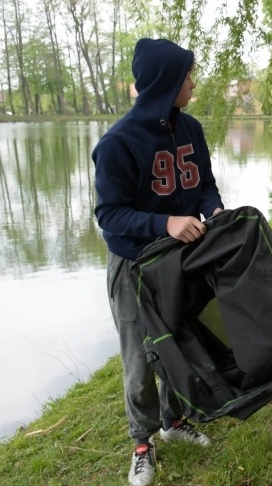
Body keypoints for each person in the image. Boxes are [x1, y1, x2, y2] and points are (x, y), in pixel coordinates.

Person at [92, 38, 224, 486]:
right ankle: (142, 443)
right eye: (188, 75)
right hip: (133, 265)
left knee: (179, 343)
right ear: (168, 81)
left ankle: (174, 422)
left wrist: (216, 210)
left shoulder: (191, 129)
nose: (192, 82)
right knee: (139, 358)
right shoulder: (117, 144)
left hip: (179, 261)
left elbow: (204, 183)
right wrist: (165, 222)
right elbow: (109, 214)